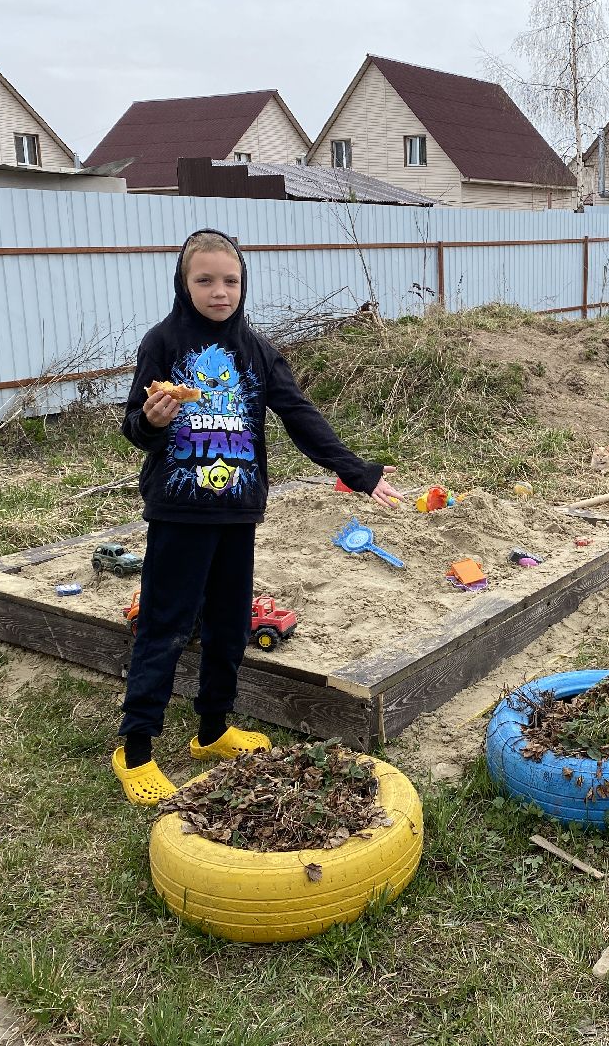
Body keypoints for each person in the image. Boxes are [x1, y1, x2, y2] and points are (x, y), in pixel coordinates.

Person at [112, 229, 402, 805]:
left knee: (228, 624)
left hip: (238, 512)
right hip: (179, 512)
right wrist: (153, 421)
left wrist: (356, 470)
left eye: (231, 280)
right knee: (165, 626)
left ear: (243, 284)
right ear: (183, 282)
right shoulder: (163, 343)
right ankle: (136, 746)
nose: (220, 292)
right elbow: (134, 430)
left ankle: (214, 729)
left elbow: (299, 414)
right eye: (205, 281)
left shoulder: (257, 351)